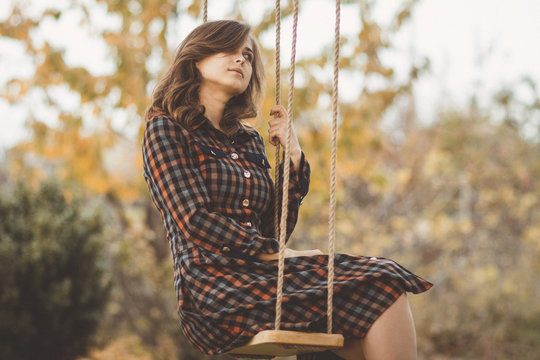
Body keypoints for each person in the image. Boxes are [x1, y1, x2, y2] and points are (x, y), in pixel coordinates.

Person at [142, 20, 432, 360]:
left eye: (248, 56)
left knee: (374, 310)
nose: (242, 61)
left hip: (264, 275)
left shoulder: (248, 139)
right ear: (196, 59)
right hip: (214, 289)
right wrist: (275, 253)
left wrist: (292, 157)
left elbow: (273, 230)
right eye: (230, 51)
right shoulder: (165, 128)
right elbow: (194, 221)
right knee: (383, 279)